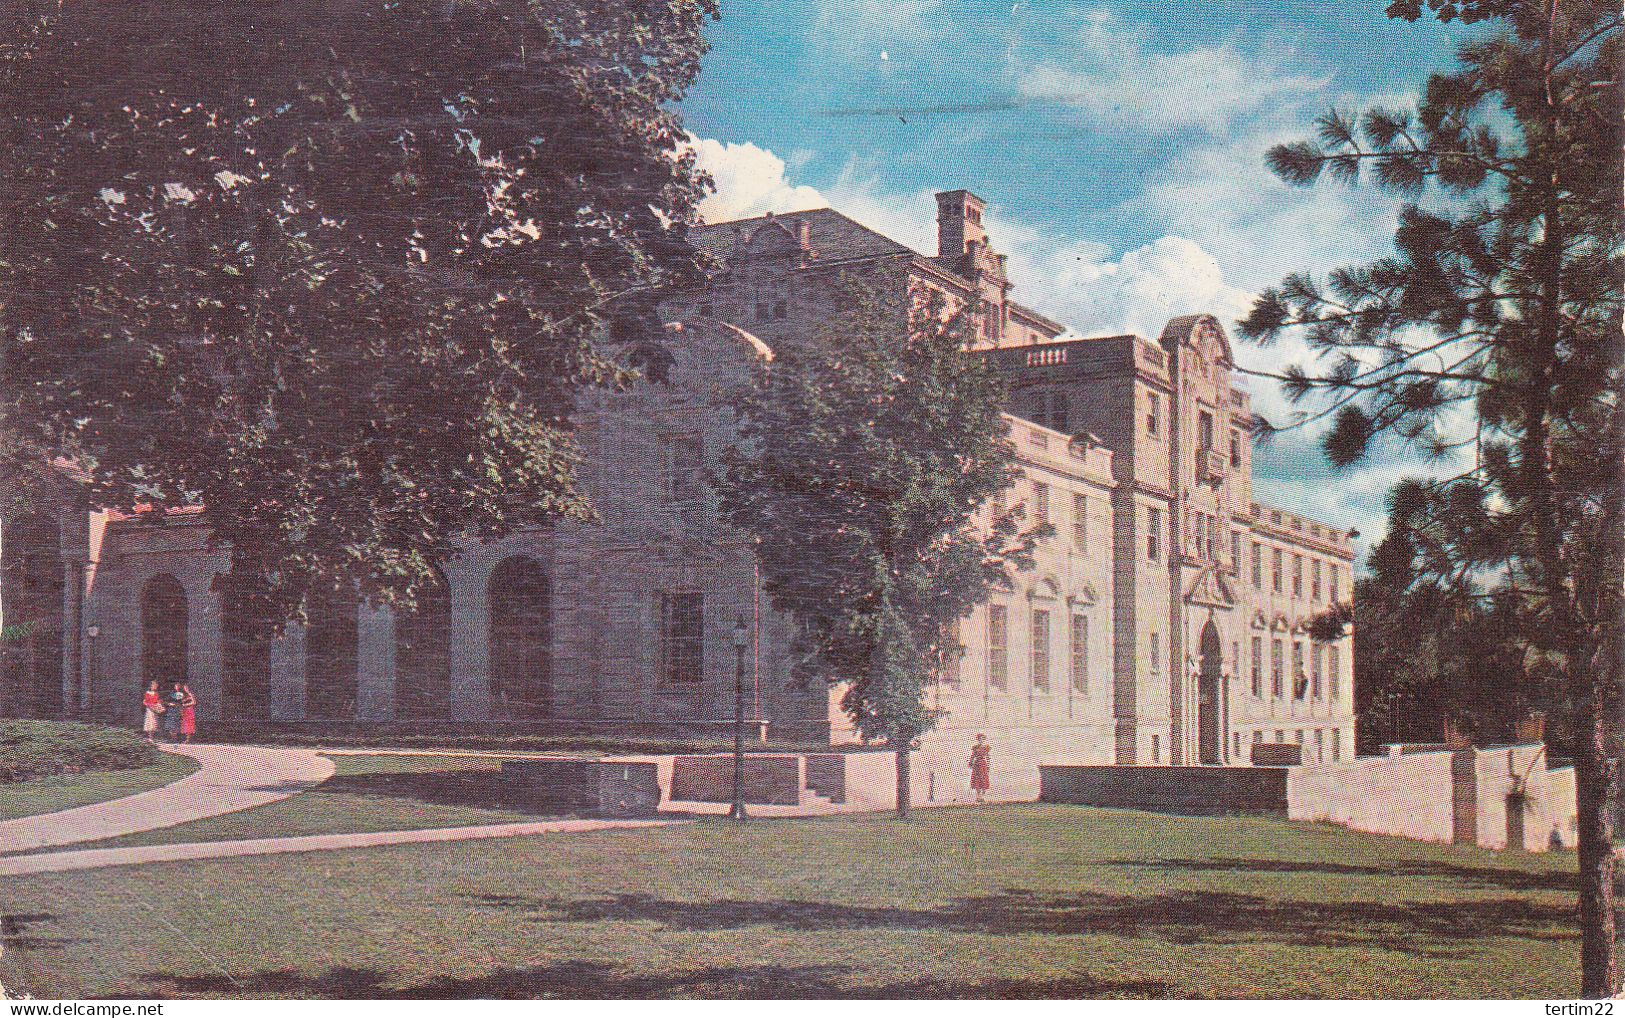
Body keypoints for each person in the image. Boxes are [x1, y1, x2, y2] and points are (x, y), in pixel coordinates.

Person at [969, 733, 992, 803]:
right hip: (976, 765)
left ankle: (983, 796)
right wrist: (970, 762)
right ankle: (978, 796)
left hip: (983, 765)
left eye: (982, 739)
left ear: (984, 740)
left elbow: (988, 757)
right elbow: (972, 756)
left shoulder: (986, 748)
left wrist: (988, 766)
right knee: (977, 780)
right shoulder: (975, 748)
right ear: (978, 740)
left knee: (983, 779)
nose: (981, 740)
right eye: (979, 739)